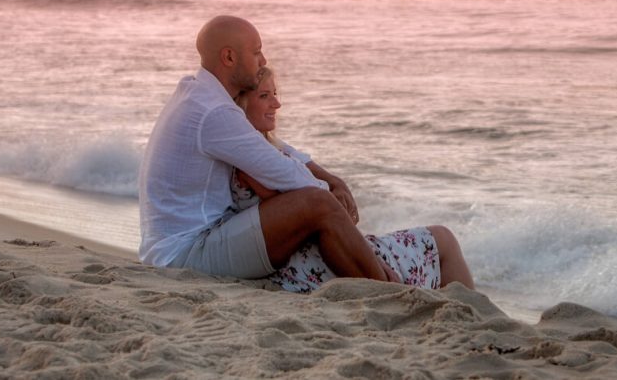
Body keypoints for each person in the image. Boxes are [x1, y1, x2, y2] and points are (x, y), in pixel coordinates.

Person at [139, 16, 394, 282]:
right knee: (317, 202)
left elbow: (276, 149)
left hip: (176, 248)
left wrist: (332, 180)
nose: (263, 61)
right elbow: (286, 174)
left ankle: (373, 277)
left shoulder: (198, 93)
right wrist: (332, 200)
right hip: (186, 255)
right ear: (229, 57)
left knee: (319, 198)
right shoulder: (214, 111)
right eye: (257, 51)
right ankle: (386, 286)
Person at [232, 67, 474, 292]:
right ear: (240, 104)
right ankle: (471, 323)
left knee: (439, 239)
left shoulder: (265, 148)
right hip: (311, 264)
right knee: (442, 239)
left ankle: (462, 320)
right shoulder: (253, 158)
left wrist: (337, 190)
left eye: (275, 94)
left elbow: (318, 195)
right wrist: (372, 261)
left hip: (317, 254)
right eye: (264, 96)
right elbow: (304, 220)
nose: (277, 103)